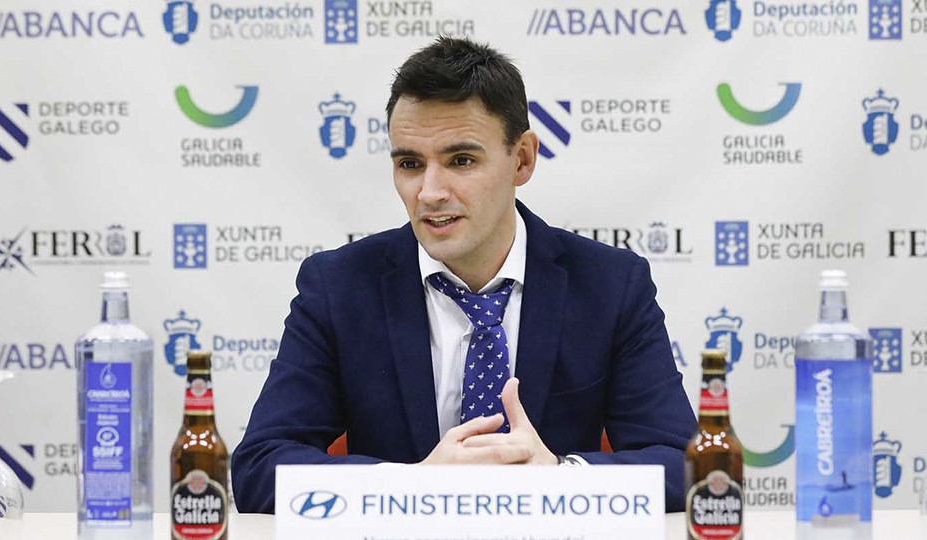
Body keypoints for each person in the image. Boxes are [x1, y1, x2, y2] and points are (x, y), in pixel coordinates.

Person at [231, 36, 696, 514]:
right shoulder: (339, 286)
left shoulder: (610, 285)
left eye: (461, 161)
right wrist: (411, 485)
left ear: (522, 160)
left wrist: (559, 478)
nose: (430, 192)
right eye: (410, 163)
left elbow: (686, 465)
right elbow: (260, 469)